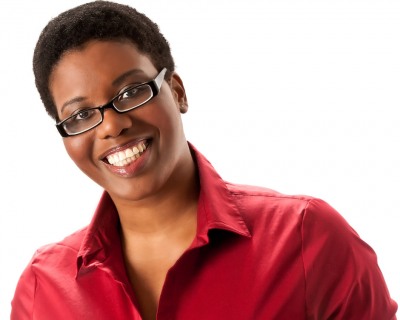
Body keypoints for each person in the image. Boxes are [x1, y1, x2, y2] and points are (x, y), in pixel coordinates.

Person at [11, 1, 397, 319]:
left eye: (131, 92)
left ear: (177, 91)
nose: (111, 125)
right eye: (80, 116)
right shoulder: (42, 287)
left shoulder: (306, 237)